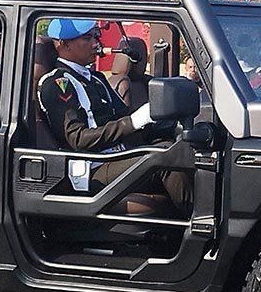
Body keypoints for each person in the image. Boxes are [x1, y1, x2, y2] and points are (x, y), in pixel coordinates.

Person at [37, 18, 190, 215]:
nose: (96, 43)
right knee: (165, 157)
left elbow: (123, 116)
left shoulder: (97, 79)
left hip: (117, 157)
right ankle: (202, 226)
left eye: (96, 36)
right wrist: (134, 121)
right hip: (91, 167)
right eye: (87, 38)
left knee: (181, 147)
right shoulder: (57, 83)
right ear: (63, 44)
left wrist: (167, 123)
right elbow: (79, 139)